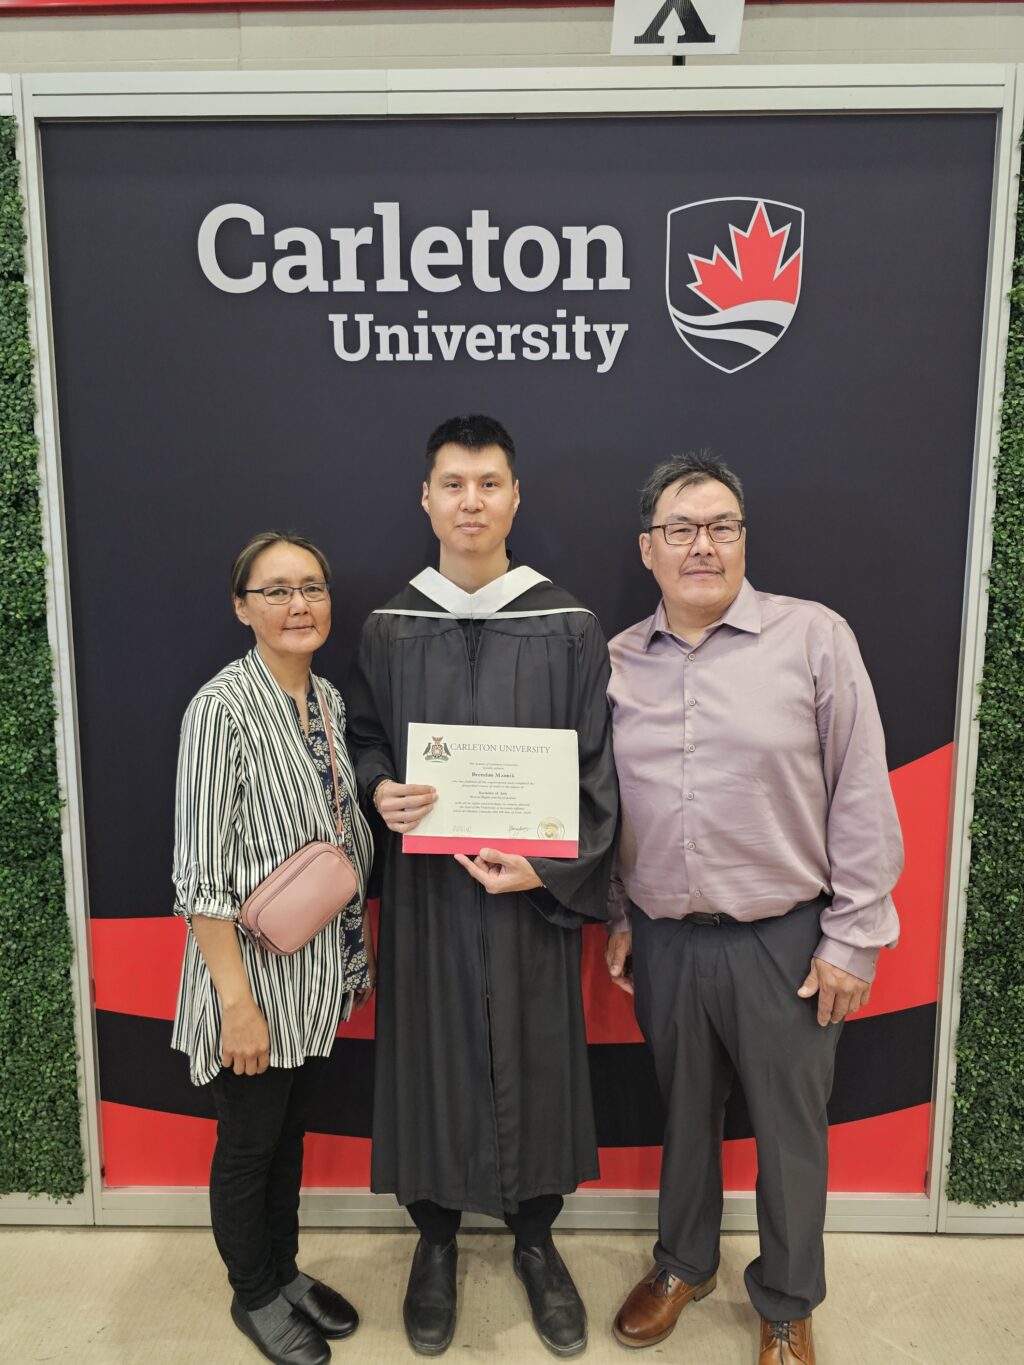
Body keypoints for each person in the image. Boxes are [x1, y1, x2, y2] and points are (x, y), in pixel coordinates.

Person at [604, 455, 903, 1365]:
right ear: (647, 548)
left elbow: (860, 787)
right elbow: (607, 803)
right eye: (682, 529)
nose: (704, 544)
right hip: (664, 938)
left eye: (723, 525)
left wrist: (855, 936)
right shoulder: (616, 660)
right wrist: (620, 913)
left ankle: (784, 1299)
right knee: (682, 1113)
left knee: (790, 1129)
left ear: (743, 538)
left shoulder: (813, 637)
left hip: (786, 937)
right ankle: (683, 1262)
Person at [346, 414, 618, 1358]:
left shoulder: (570, 626)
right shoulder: (389, 626)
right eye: (452, 483)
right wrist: (380, 783)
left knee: (538, 1053)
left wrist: (544, 869)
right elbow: (366, 736)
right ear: (426, 497)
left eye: (489, 482)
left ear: (514, 496)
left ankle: (537, 1241)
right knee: (426, 1048)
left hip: (528, 898)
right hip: (427, 895)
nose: (471, 500)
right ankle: (435, 1240)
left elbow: (596, 771)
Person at [171, 531, 375, 1365]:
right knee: (250, 1145)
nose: (299, 604)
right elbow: (199, 875)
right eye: (277, 590)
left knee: (290, 1136)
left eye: (313, 587)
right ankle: (251, 1290)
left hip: (316, 974)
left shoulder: (326, 700)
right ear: (241, 606)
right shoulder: (219, 709)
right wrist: (235, 1003)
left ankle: (284, 1269)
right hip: (249, 983)